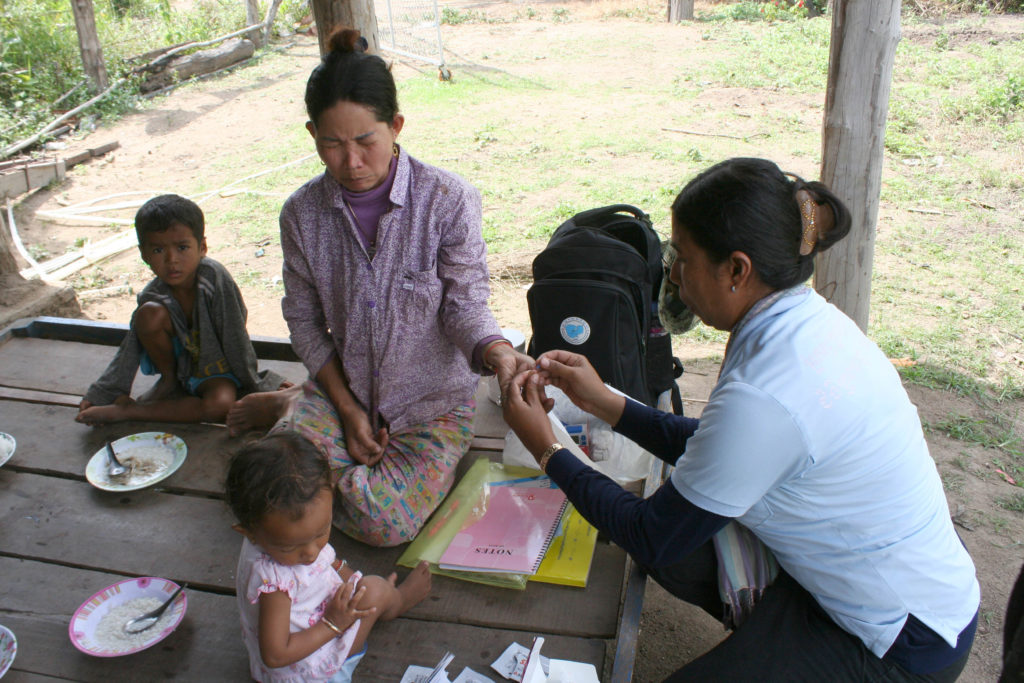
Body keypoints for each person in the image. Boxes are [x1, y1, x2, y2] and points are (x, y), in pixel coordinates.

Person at [502, 158, 980, 681]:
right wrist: (604, 401)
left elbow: (651, 535)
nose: (674, 276)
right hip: (883, 583)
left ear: (737, 269)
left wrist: (546, 447)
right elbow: (718, 449)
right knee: (678, 535)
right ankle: (773, 635)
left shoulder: (767, 391)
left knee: (661, 535)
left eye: (682, 259)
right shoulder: (803, 321)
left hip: (902, 642)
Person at [235, 26, 532, 547]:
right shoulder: (302, 215)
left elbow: (465, 307)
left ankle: (297, 423)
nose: (350, 162)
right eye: (331, 144)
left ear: (395, 126)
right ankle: (302, 410)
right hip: (342, 393)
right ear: (312, 135)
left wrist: (499, 352)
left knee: (384, 523)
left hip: (430, 407)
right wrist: (347, 412)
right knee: (266, 492)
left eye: (365, 141)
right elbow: (304, 323)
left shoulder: (448, 200)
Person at [226, 432, 432, 682]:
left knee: (363, 588)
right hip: (310, 670)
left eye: (322, 532)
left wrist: (351, 580)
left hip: (313, 633)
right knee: (375, 590)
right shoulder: (274, 582)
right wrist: (333, 623)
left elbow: (327, 563)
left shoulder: (274, 537)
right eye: (291, 547)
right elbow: (276, 656)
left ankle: (379, 601)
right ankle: (397, 600)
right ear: (248, 532)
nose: (311, 552)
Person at [76, 194, 286, 426]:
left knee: (220, 405)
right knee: (148, 315)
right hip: (181, 369)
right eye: (158, 250)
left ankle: (129, 411)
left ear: (202, 247)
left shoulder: (214, 279)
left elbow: (235, 335)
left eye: (182, 247)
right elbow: (130, 347)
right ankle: (169, 382)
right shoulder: (153, 294)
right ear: (144, 254)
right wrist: (102, 392)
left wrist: (258, 385)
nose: (171, 260)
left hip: (216, 368)